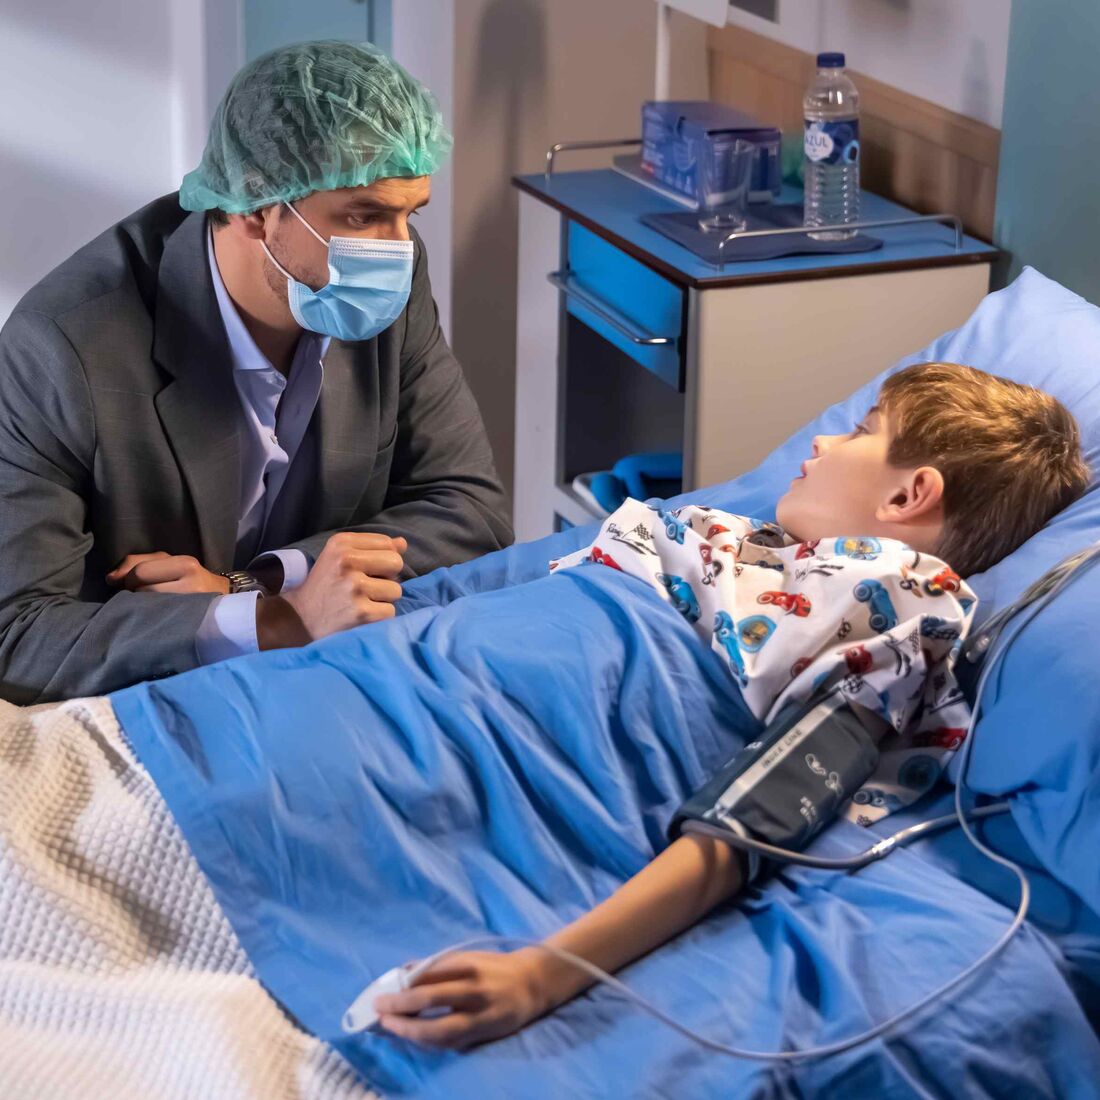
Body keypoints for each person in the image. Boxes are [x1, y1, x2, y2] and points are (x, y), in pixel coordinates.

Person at [369, 362, 1090, 1049]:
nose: (824, 441)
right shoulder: (760, 548)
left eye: (862, 430)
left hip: (487, 731)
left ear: (907, 496)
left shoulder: (895, 602)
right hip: (423, 676)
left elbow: (759, 813)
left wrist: (545, 973)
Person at [0, 42, 511, 704]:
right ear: (255, 204)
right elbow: (17, 635)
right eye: (363, 215)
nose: (398, 250)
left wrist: (255, 586)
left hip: (326, 685)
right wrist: (274, 622)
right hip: (154, 698)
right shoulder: (63, 346)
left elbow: (471, 509)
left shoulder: (388, 283)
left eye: (409, 214)